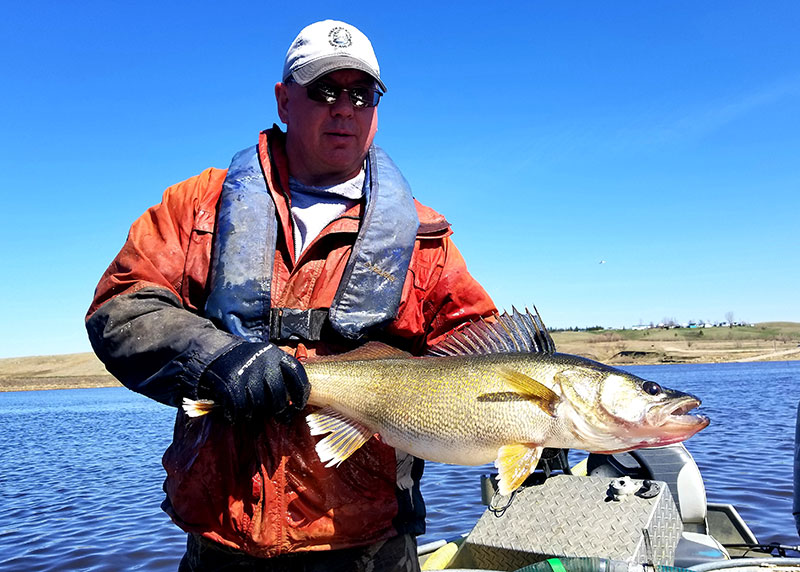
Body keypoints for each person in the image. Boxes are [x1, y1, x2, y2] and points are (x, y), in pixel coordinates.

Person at [86, 19, 495, 571]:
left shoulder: (426, 238)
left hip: (368, 544)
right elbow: (123, 305)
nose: (344, 108)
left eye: (362, 93)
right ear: (283, 100)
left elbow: (477, 348)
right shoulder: (197, 205)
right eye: (325, 90)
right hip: (222, 538)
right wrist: (214, 359)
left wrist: (540, 413)